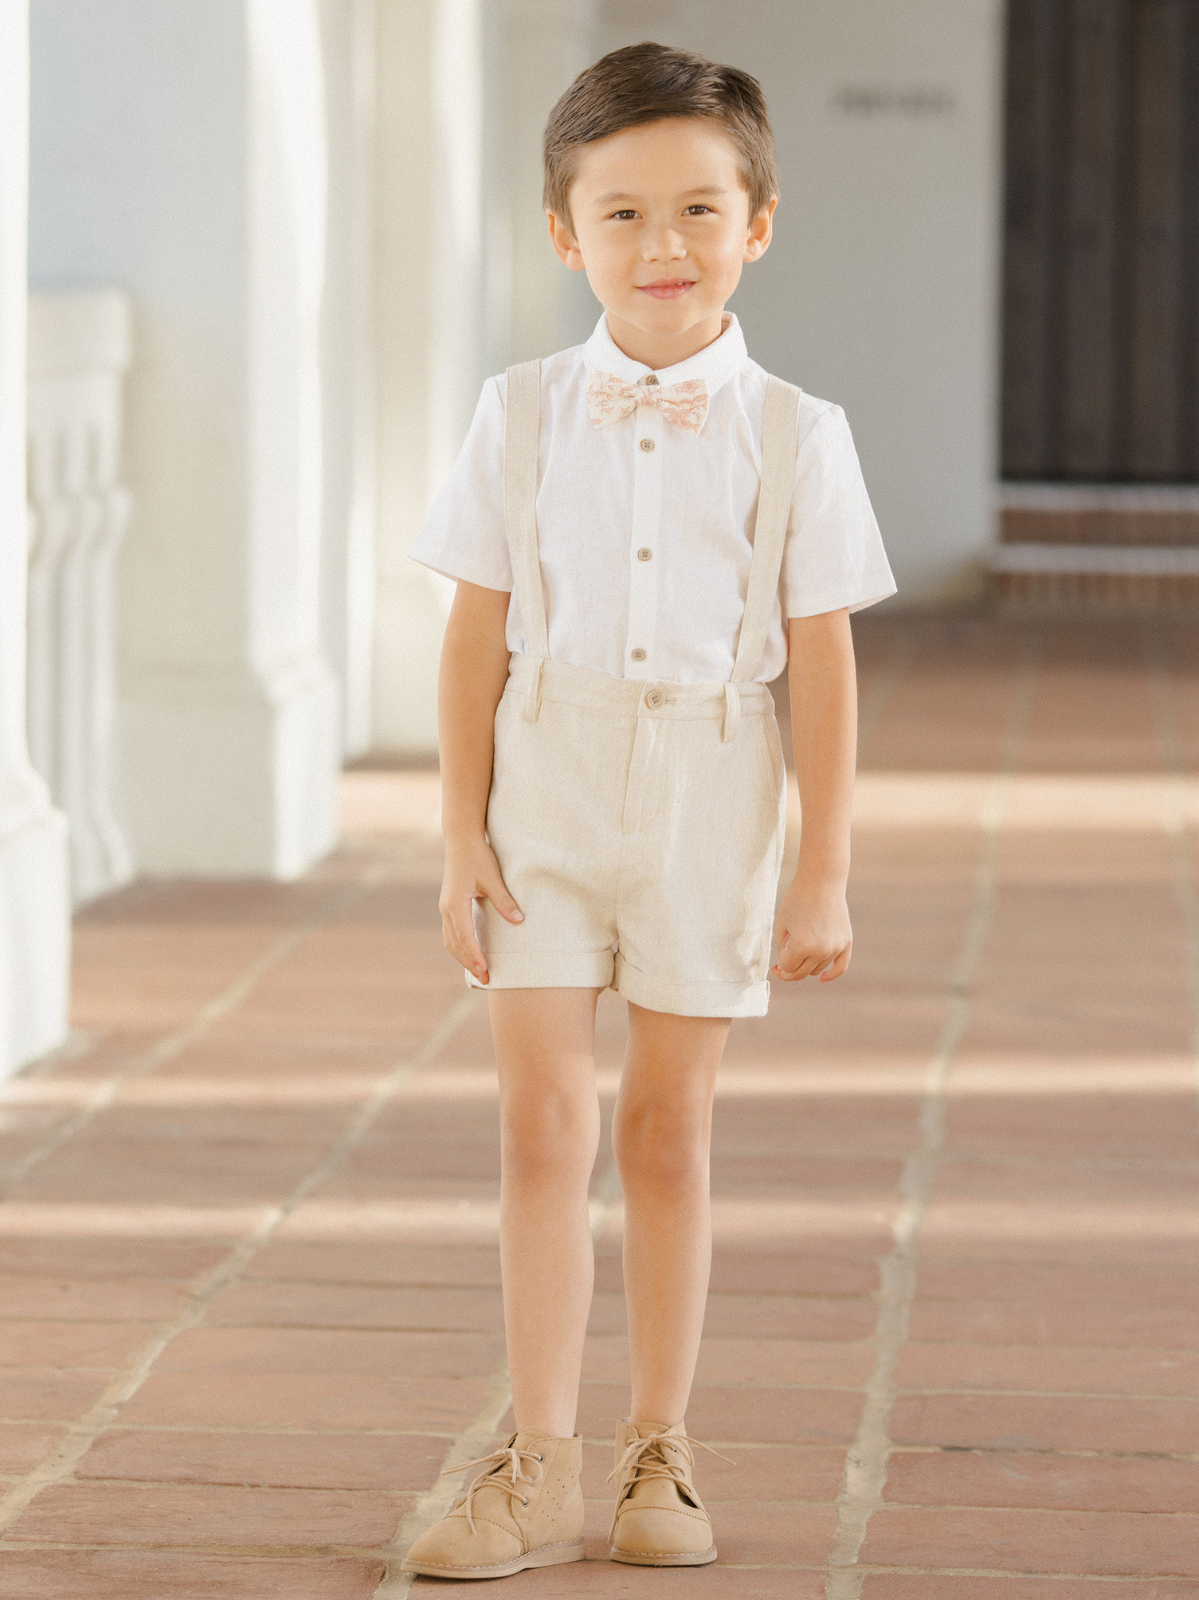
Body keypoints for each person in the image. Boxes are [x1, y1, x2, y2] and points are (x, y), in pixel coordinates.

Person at [401, 40, 894, 1582]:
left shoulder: (799, 433)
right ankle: (530, 1457)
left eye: (696, 209)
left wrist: (822, 871)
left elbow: (819, 658)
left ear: (757, 223)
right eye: (619, 215)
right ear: (563, 234)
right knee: (538, 1122)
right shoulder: (520, 409)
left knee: (664, 1130)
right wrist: (460, 828)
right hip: (545, 772)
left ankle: (654, 1450)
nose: (660, 245)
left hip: (709, 781)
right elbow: (475, 627)